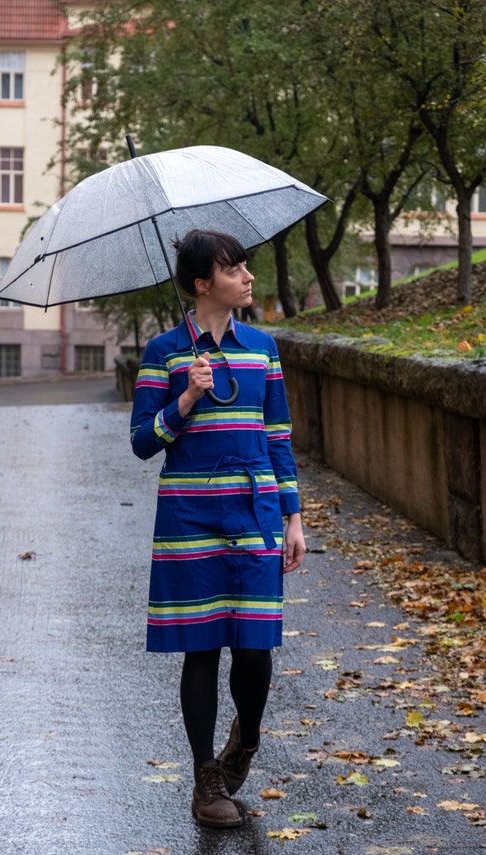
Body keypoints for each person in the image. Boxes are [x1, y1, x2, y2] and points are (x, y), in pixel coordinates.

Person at [130, 229, 306, 829]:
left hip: (254, 513)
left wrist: (294, 516)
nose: (249, 277)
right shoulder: (165, 352)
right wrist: (183, 402)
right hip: (190, 519)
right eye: (235, 270)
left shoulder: (262, 348)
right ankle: (207, 778)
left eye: (247, 268)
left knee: (256, 649)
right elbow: (140, 442)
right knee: (202, 648)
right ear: (204, 283)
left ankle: (246, 740)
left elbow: (279, 437)